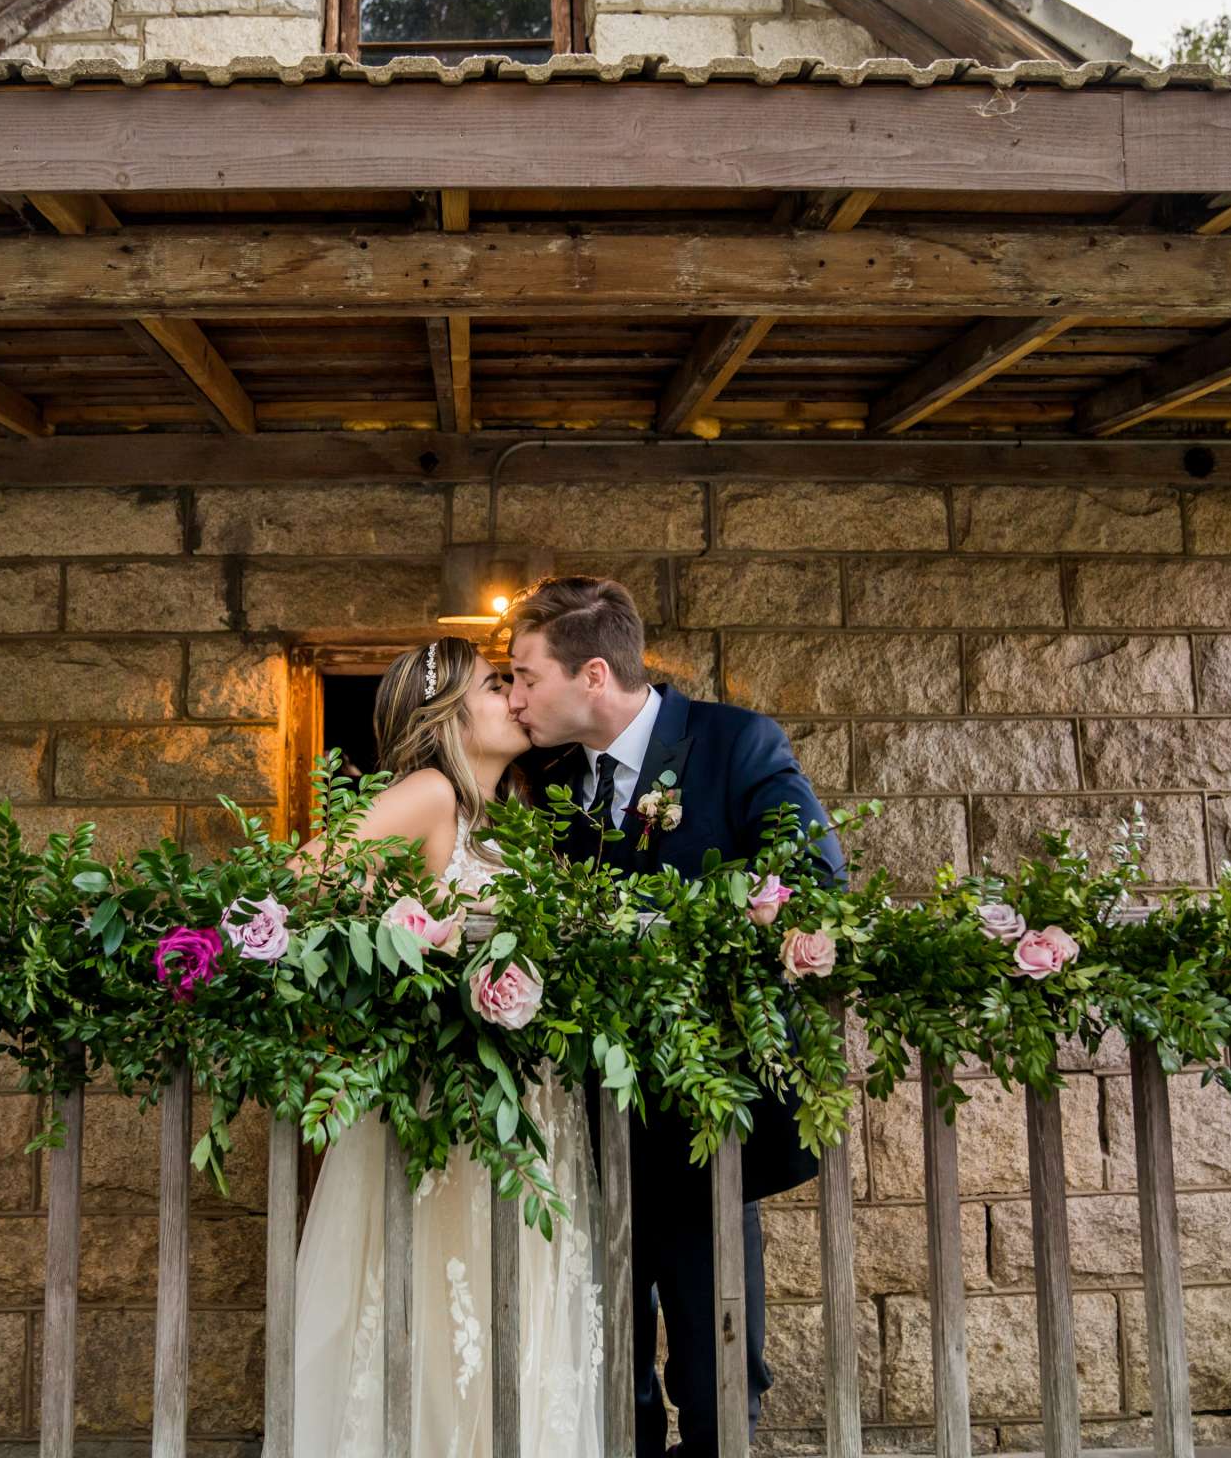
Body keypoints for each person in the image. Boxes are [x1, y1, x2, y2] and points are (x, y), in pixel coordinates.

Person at [506, 576, 843, 1458]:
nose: (514, 696)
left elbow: (814, 881)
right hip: (585, 1113)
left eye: (524, 675)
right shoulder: (542, 782)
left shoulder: (735, 743)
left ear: (590, 674)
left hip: (708, 1114)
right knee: (607, 1351)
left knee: (716, 1356)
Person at [291, 636, 607, 1458]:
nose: (515, 698)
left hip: (528, 1103)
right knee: (442, 1302)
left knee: (515, 1305)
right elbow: (306, 877)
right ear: (446, 716)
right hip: (454, 1107)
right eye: (496, 685)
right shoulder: (430, 794)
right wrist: (404, 948)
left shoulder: (504, 816)